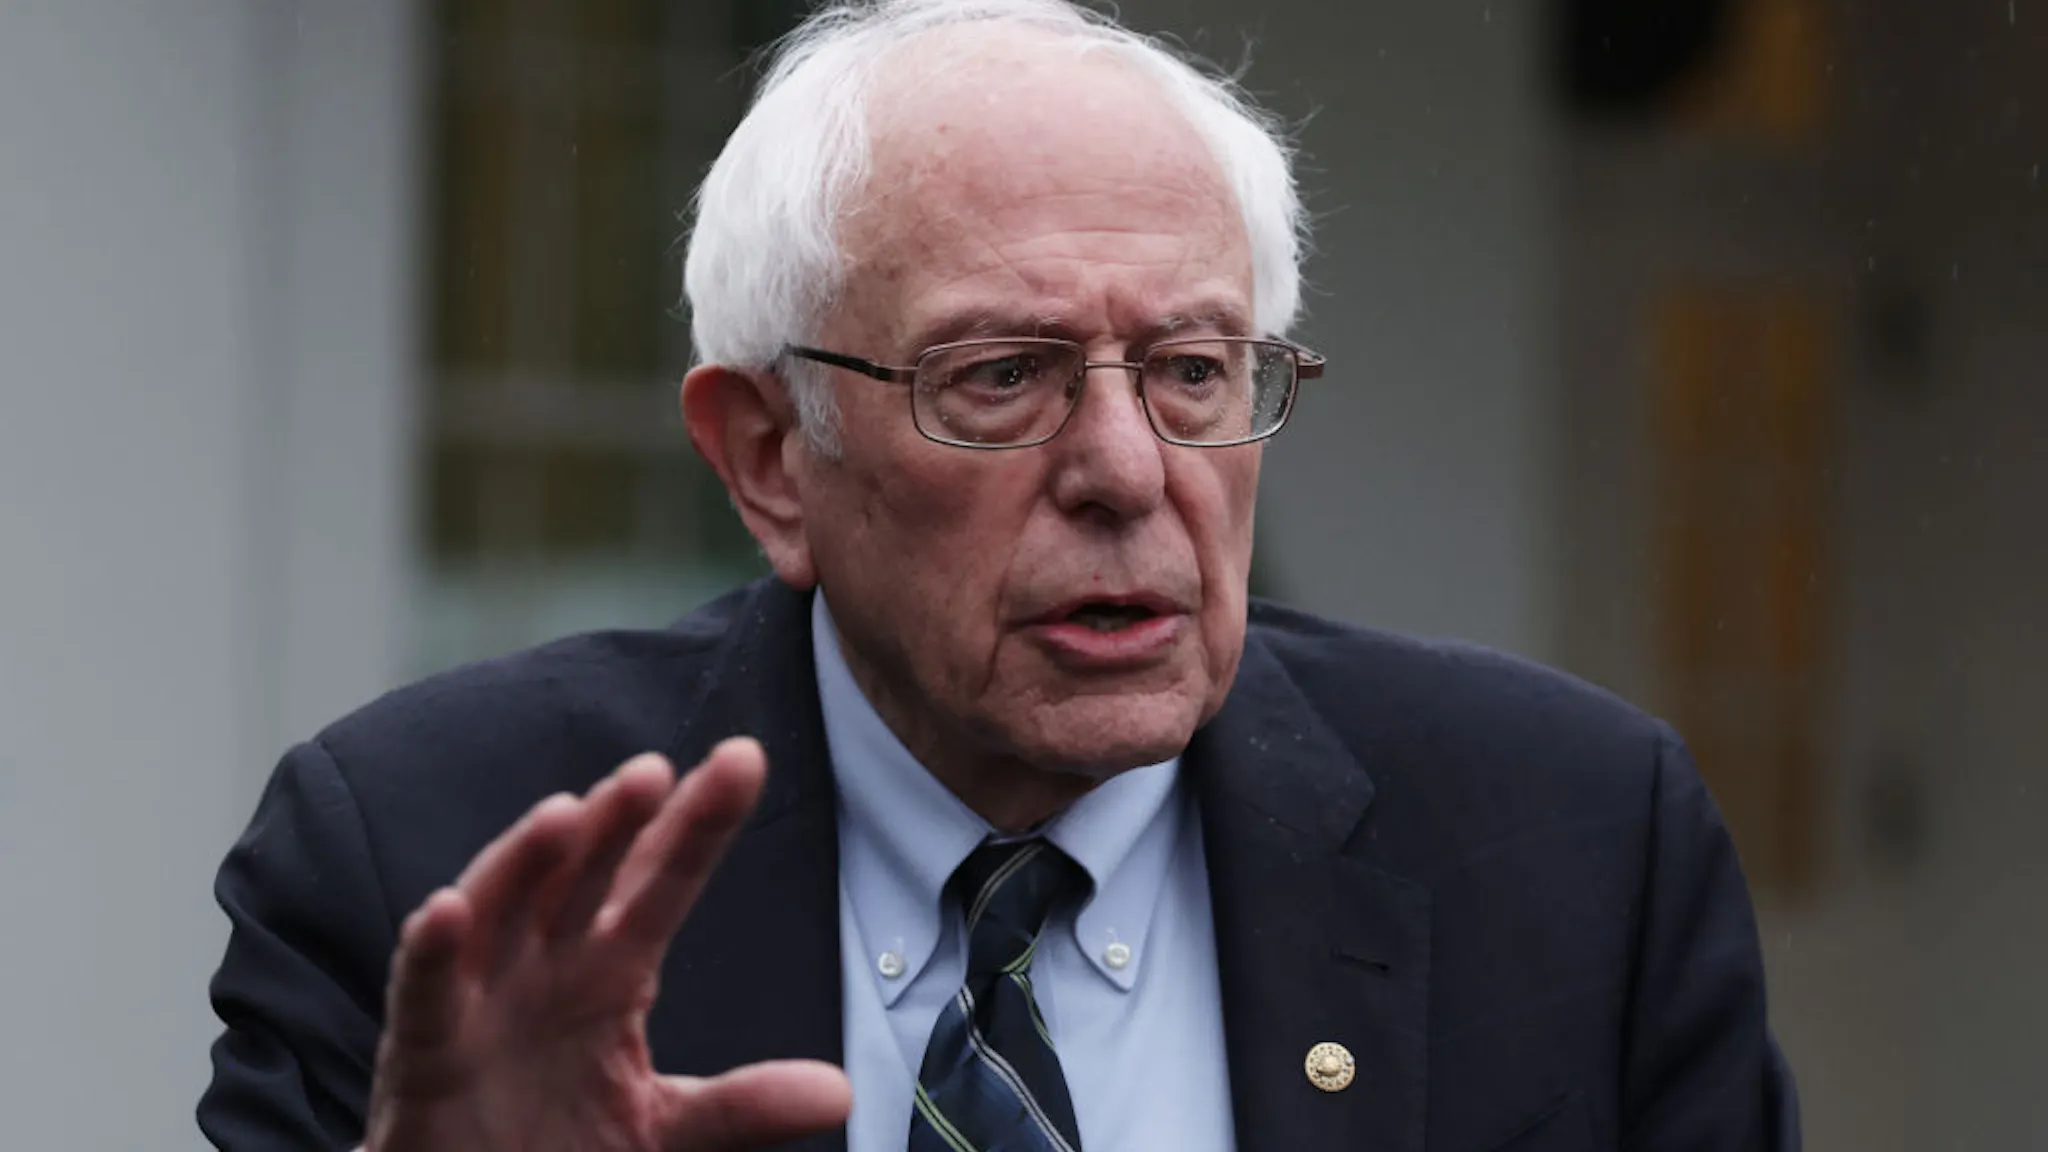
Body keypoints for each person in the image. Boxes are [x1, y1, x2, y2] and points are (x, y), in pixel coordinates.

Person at [198, 1, 1801, 1149]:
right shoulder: (432, 863)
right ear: (769, 455)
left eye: (1190, 369)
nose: (1123, 470)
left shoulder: (1577, 849)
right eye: (1002, 376)